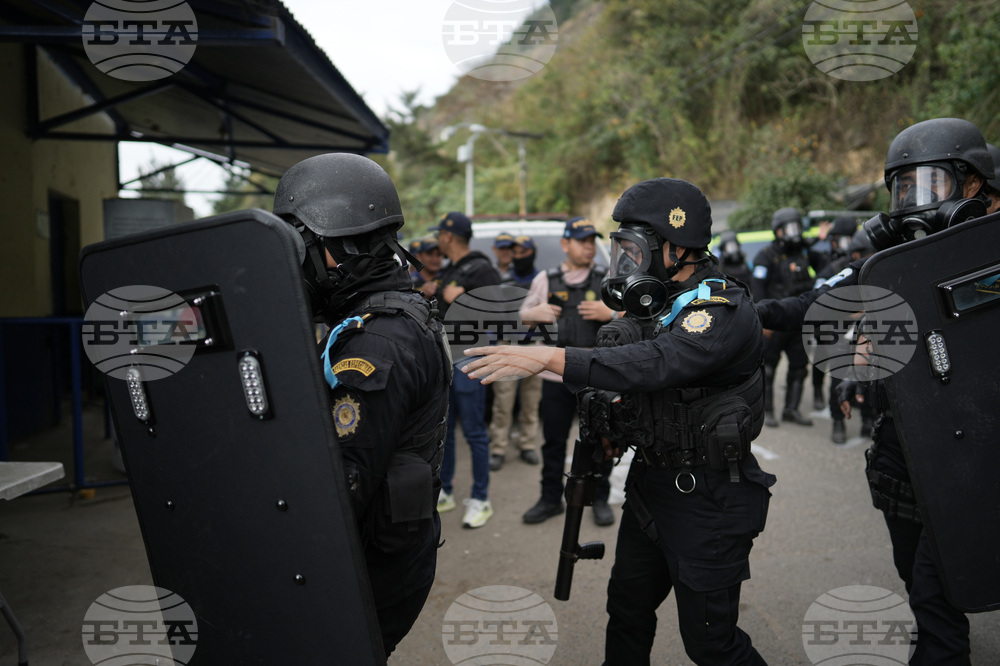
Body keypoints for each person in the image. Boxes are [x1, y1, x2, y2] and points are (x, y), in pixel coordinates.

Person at [462, 178, 774, 665]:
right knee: (627, 611)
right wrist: (613, 427)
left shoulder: (717, 307)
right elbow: (642, 390)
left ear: (675, 248)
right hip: (650, 488)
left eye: (635, 251)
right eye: (620, 252)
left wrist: (552, 358)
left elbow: (658, 363)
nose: (626, 265)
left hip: (709, 499)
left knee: (711, 642)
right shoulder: (657, 307)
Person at [760, 118, 995, 665]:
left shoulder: (991, 249)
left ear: (973, 186)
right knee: (918, 577)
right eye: (902, 187)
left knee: (940, 595)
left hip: (972, 449)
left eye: (926, 184)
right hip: (904, 443)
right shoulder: (886, 265)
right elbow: (812, 305)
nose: (912, 201)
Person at [272, 153, 450, 656]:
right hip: (389, 551)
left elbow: (344, 485)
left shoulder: (378, 342)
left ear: (335, 249)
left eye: (300, 247)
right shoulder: (377, 314)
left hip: (373, 566)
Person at [519, 217, 616, 527]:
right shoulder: (546, 279)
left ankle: (599, 498)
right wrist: (536, 313)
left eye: (592, 241)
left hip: (596, 375)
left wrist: (610, 312)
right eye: (582, 241)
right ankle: (550, 499)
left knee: (601, 441)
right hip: (555, 377)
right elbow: (522, 318)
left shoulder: (606, 279)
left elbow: (633, 318)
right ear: (565, 244)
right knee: (553, 442)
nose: (589, 247)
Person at [432, 211, 501, 528]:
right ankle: (445, 490)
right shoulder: (451, 270)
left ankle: (480, 499)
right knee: (445, 430)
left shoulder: (480, 268)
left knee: (474, 432)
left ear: (448, 236)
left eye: (439, 236)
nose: (437, 241)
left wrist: (461, 298)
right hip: (446, 361)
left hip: (469, 361)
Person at [751, 207, 827, 427]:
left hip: (799, 321)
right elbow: (758, 288)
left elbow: (825, 267)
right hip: (775, 323)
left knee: (799, 367)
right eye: (788, 228)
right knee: (769, 368)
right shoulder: (765, 256)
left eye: (797, 227)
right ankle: (768, 411)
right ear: (778, 232)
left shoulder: (804, 252)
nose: (794, 233)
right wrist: (762, 320)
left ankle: (790, 410)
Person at [489, 235, 542, 471]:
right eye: (516, 253)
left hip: (535, 347)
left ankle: (527, 444)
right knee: (503, 401)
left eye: (524, 252)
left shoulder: (542, 279)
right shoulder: (503, 279)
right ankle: (498, 448)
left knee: (531, 401)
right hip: (508, 345)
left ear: (533, 252)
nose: (520, 257)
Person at [409, 234, 443, 299]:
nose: (435, 259)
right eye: (429, 254)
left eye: (439, 254)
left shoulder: (448, 276)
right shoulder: (409, 281)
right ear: (419, 256)